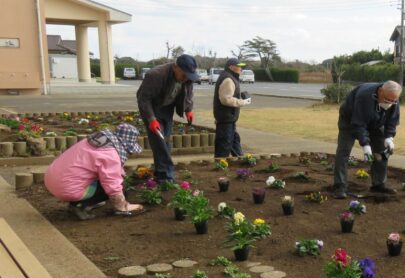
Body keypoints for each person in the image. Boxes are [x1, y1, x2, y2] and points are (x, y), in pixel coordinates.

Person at [44, 123, 145, 220]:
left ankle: (86, 201)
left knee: (106, 181)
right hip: (67, 188)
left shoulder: (96, 141)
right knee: (115, 188)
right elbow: (112, 183)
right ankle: (79, 205)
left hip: (52, 179)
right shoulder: (110, 154)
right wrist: (121, 204)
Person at [333, 80, 401, 199]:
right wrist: (365, 145)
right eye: (386, 99)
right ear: (380, 91)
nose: (389, 103)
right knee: (344, 151)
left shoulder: (393, 99)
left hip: (375, 123)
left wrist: (389, 137)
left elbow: (392, 121)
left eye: (392, 101)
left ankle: (378, 184)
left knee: (382, 149)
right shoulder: (364, 97)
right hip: (350, 120)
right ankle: (340, 186)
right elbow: (358, 124)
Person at [136, 54, 199, 182]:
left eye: (189, 75)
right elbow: (143, 99)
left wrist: (188, 110)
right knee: (159, 141)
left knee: (165, 141)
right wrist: (151, 119)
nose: (186, 78)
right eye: (184, 74)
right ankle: (166, 177)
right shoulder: (156, 75)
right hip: (152, 108)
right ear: (176, 67)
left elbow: (188, 93)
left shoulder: (187, 77)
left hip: (167, 109)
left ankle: (161, 172)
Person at [213, 57, 252, 158]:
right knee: (224, 145)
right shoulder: (228, 80)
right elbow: (226, 99)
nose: (241, 69)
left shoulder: (229, 77)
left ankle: (241, 159)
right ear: (231, 67)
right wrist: (242, 102)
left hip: (228, 118)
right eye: (239, 67)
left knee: (234, 140)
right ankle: (220, 166)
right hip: (226, 117)